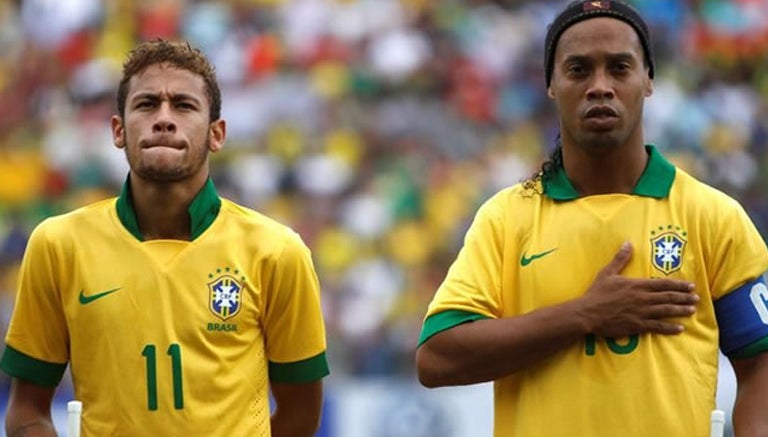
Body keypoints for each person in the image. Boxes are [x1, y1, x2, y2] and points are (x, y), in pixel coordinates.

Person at [415, 1, 768, 436]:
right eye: (579, 70)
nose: (600, 86)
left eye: (619, 68)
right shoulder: (507, 217)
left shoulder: (713, 216)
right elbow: (436, 358)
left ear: (648, 80)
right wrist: (583, 316)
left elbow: (760, 364)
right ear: (551, 85)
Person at [0, 39, 329, 436]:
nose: (164, 118)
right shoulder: (58, 244)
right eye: (146, 104)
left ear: (216, 134)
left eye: (184, 105)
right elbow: (26, 412)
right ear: (118, 130)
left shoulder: (277, 251)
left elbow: (301, 416)